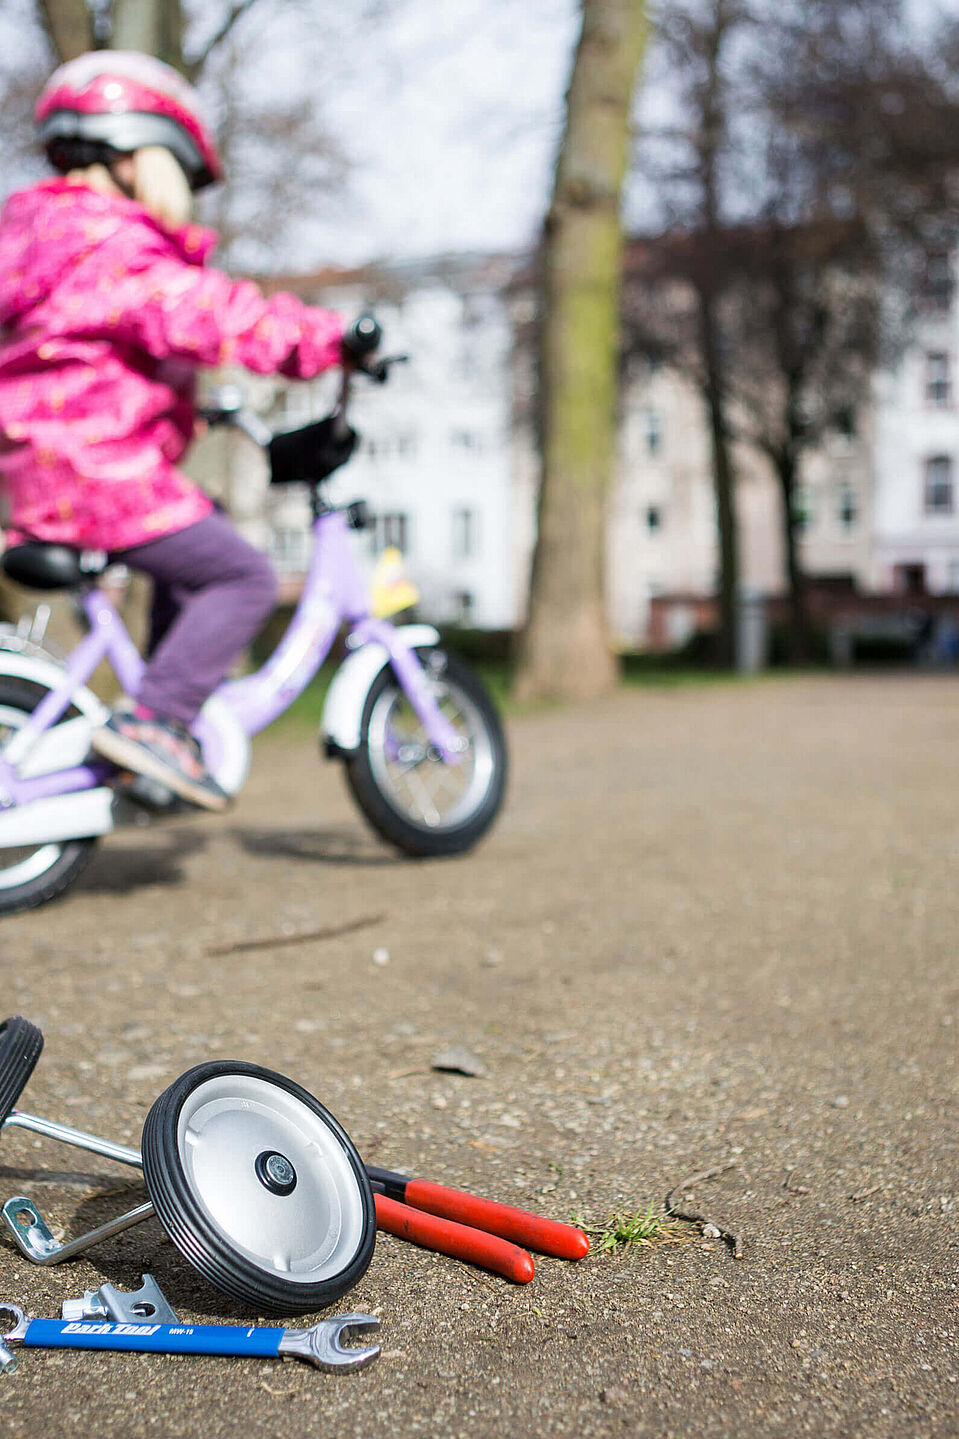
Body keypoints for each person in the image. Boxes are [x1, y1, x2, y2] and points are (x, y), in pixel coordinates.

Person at [0, 51, 361, 811]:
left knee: (201, 541)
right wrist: (329, 339)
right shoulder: (109, 245)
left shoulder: (32, 241)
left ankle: (163, 701)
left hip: (39, 470)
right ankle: (155, 718)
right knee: (243, 576)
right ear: (135, 153)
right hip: (99, 470)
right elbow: (220, 316)